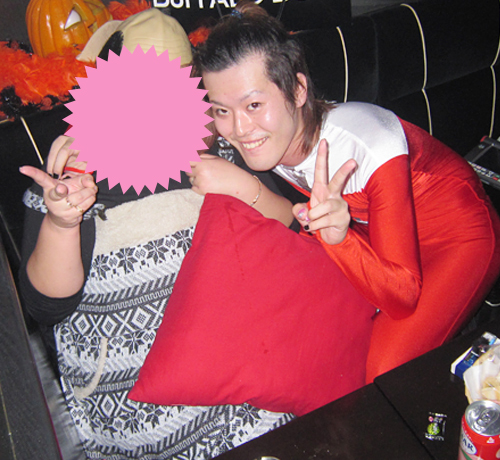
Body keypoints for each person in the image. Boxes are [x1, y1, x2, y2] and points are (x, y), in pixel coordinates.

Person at [18, 9, 296, 460]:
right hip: (139, 413)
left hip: (250, 387)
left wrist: (242, 186)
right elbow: (46, 306)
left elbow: (290, 230)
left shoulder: (224, 153)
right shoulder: (68, 178)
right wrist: (63, 223)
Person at [191, 0, 500, 381]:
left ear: (298, 90)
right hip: (371, 234)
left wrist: (339, 240)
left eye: (254, 104)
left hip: (458, 236)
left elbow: (402, 297)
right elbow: (294, 218)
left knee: (381, 373)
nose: (239, 129)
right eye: (222, 110)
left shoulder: (365, 143)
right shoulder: (270, 133)